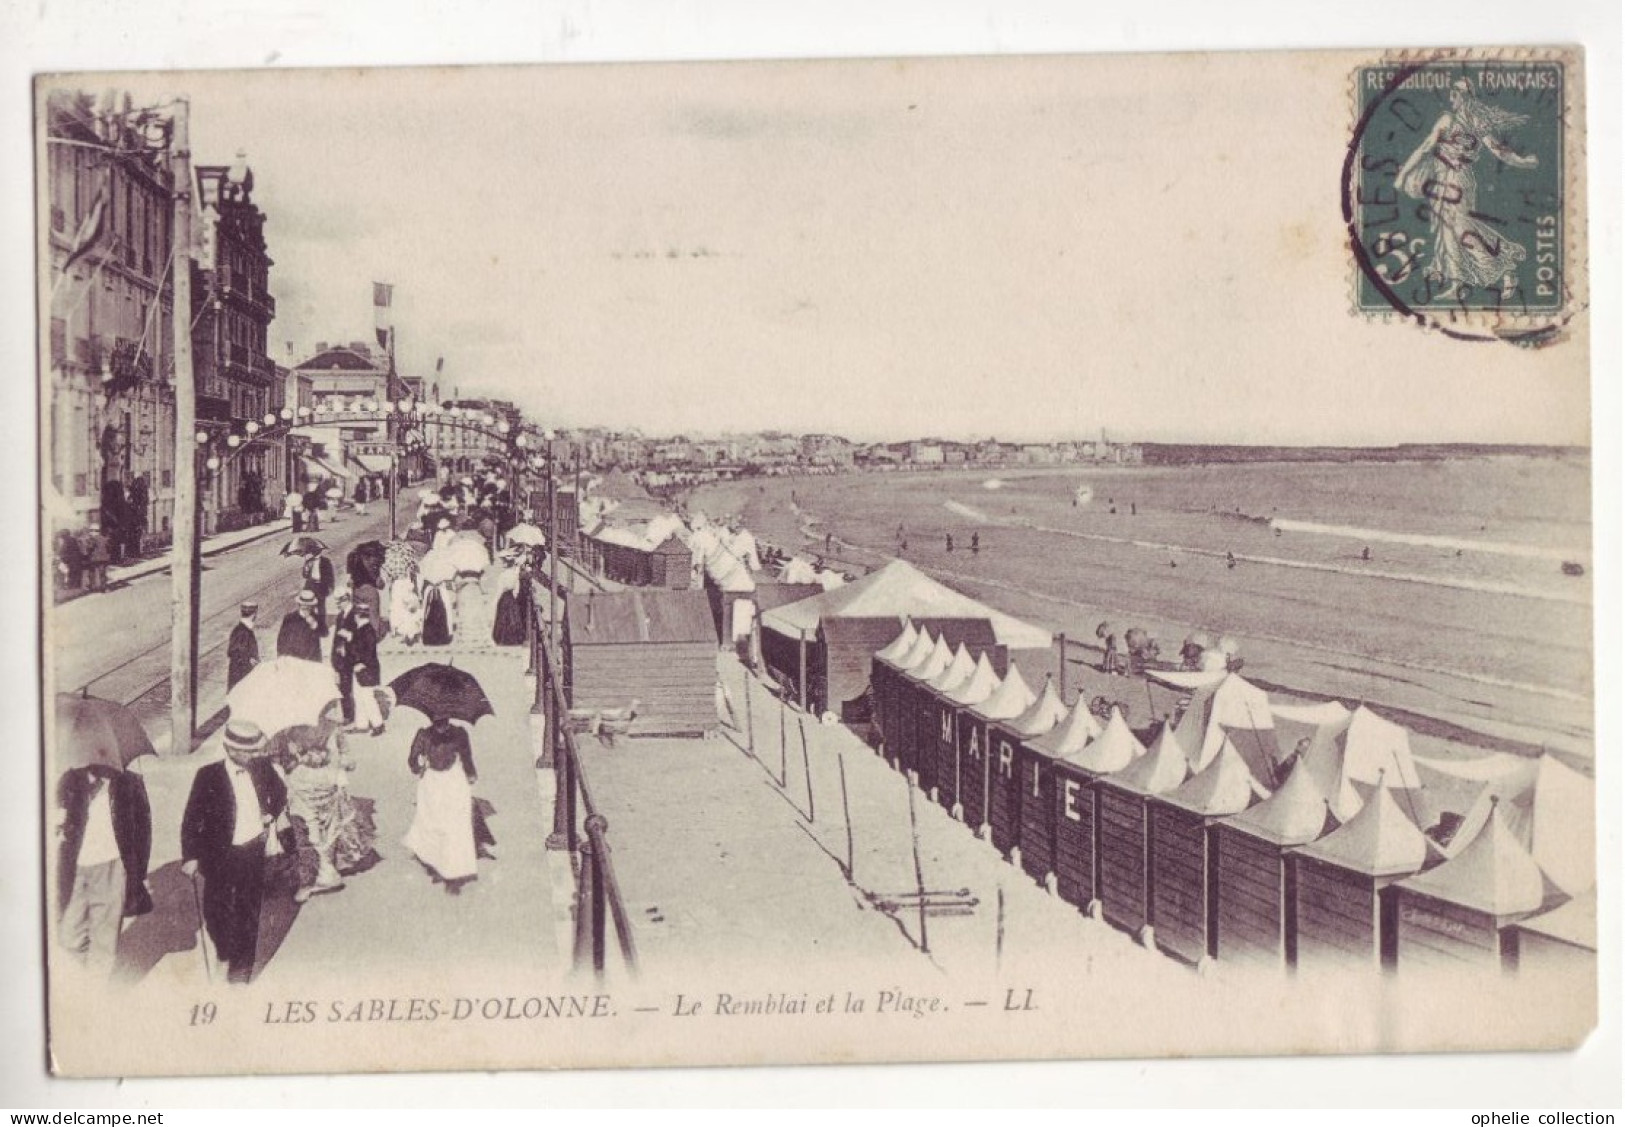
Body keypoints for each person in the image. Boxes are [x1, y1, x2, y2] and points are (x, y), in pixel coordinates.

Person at [1397, 78, 1538, 299]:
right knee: (1448, 230)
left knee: (1461, 228)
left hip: (1457, 180)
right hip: (1448, 179)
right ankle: (1457, 283)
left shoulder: (1455, 120)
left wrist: (1403, 174)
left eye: (1454, 94)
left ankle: (1506, 263)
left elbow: (1426, 148)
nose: (1451, 98)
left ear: (1463, 96)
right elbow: (1499, 151)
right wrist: (1523, 161)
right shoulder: (1471, 120)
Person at [180, 721, 287, 984]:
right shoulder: (208, 775)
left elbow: (280, 791)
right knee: (215, 910)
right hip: (217, 854)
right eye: (246, 751)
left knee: (247, 910)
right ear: (230, 748)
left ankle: (241, 967)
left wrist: (269, 813)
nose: (252, 755)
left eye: (254, 750)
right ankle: (224, 949)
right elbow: (192, 817)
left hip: (252, 849)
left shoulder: (263, 769)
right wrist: (191, 856)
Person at [55, 765, 152, 978]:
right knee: (69, 937)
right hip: (74, 868)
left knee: (104, 943)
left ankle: (93, 995)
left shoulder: (129, 782)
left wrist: (140, 875)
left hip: (111, 864)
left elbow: (143, 832)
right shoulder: (68, 780)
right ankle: (82, 981)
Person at [278, 724, 378, 903]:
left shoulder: (288, 732)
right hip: (324, 785)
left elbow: (283, 763)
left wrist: (298, 756)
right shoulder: (331, 726)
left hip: (304, 790)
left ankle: (313, 879)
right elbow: (348, 761)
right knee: (326, 830)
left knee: (307, 835)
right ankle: (326, 869)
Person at [403, 718, 478, 893]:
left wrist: (470, 774)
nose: (441, 728)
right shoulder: (451, 733)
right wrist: (418, 765)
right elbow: (413, 761)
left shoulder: (428, 735)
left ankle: (450, 869)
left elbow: (466, 758)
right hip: (436, 783)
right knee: (435, 824)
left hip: (450, 782)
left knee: (450, 826)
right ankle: (439, 863)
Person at [349, 604, 385, 737]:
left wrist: (361, 663)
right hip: (360, 669)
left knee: (367, 697)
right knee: (359, 696)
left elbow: (369, 651)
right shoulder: (361, 629)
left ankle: (378, 724)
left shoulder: (367, 630)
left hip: (367, 669)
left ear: (358, 615)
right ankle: (362, 724)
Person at [330, 592, 357, 727]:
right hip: (341, 658)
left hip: (352, 656)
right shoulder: (340, 616)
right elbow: (336, 638)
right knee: (344, 686)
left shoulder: (355, 614)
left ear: (346, 600)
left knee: (353, 687)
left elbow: (361, 634)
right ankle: (348, 715)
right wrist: (333, 657)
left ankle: (351, 715)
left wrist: (349, 637)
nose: (338, 605)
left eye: (339, 602)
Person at [276, 590, 323, 662]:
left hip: (310, 662)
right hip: (293, 662)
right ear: (299, 605)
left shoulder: (316, 618)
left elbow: (321, 637)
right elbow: (281, 640)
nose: (306, 608)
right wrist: (282, 658)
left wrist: (314, 625)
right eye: (304, 605)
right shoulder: (289, 618)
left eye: (309, 606)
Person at [302, 546, 335, 636]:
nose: (312, 552)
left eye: (314, 550)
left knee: (321, 608)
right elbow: (305, 576)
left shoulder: (326, 561)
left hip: (321, 586)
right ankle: (312, 628)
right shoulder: (309, 562)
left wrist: (331, 587)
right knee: (310, 607)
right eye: (312, 550)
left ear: (319, 551)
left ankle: (322, 629)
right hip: (311, 586)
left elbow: (330, 575)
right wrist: (305, 568)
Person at [227, 602, 260, 691]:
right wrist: (249, 659)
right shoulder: (244, 632)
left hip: (238, 681)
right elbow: (234, 652)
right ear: (254, 614)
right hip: (242, 681)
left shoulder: (239, 630)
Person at [490, 565, 527, 646]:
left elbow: (500, 589)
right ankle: (513, 638)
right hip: (511, 597)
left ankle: (502, 638)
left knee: (503, 617)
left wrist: (495, 601)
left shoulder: (502, 575)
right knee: (512, 617)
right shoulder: (515, 575)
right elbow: (516, 590)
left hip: (504, 597)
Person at [389, 575, 423, 645]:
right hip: (409, 614)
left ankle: (409, 635)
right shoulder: (410, 595)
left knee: (407, 620)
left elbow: (415, 605)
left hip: (411, 614)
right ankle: (409, 635)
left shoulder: (412, 596)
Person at [420, 582, 452, 647]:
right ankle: (430, 639)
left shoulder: (443, 590)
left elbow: (447, 604)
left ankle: (443, 638)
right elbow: (426, 603)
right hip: (431, 605)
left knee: (441, 618)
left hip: (440, 606)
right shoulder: (429, 590)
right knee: (430, 619)